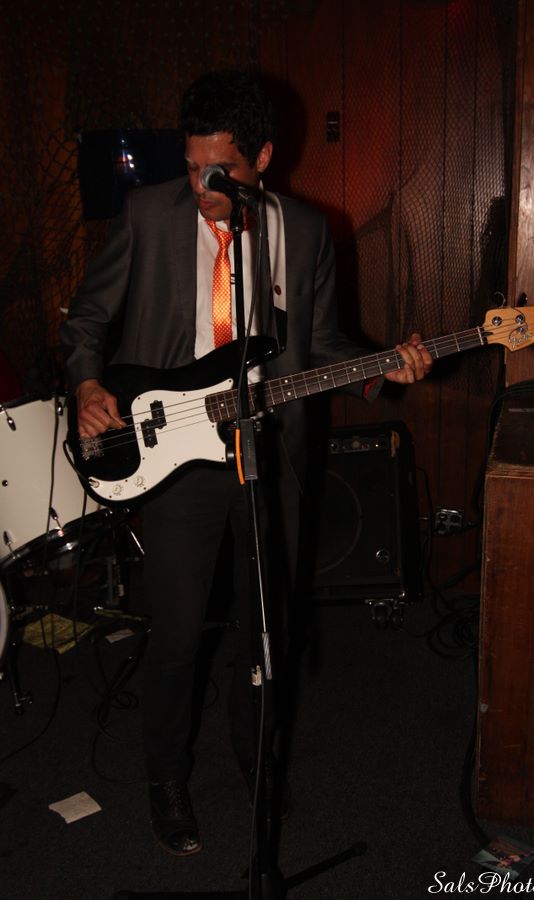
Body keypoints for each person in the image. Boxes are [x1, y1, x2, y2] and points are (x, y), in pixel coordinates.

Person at [60, 70, 432, 856]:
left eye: (219, 171)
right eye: (192, 166)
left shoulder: (305, 230)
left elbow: (321, 344)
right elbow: (88, 316)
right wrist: (89, 383)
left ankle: (256, 758)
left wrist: (381, 369)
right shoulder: (149, 214)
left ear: (261, 158)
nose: (202, 186)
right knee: (177, 635)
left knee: (265, 632)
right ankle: (167, 779)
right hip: (174, 454)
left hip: (267, 450)